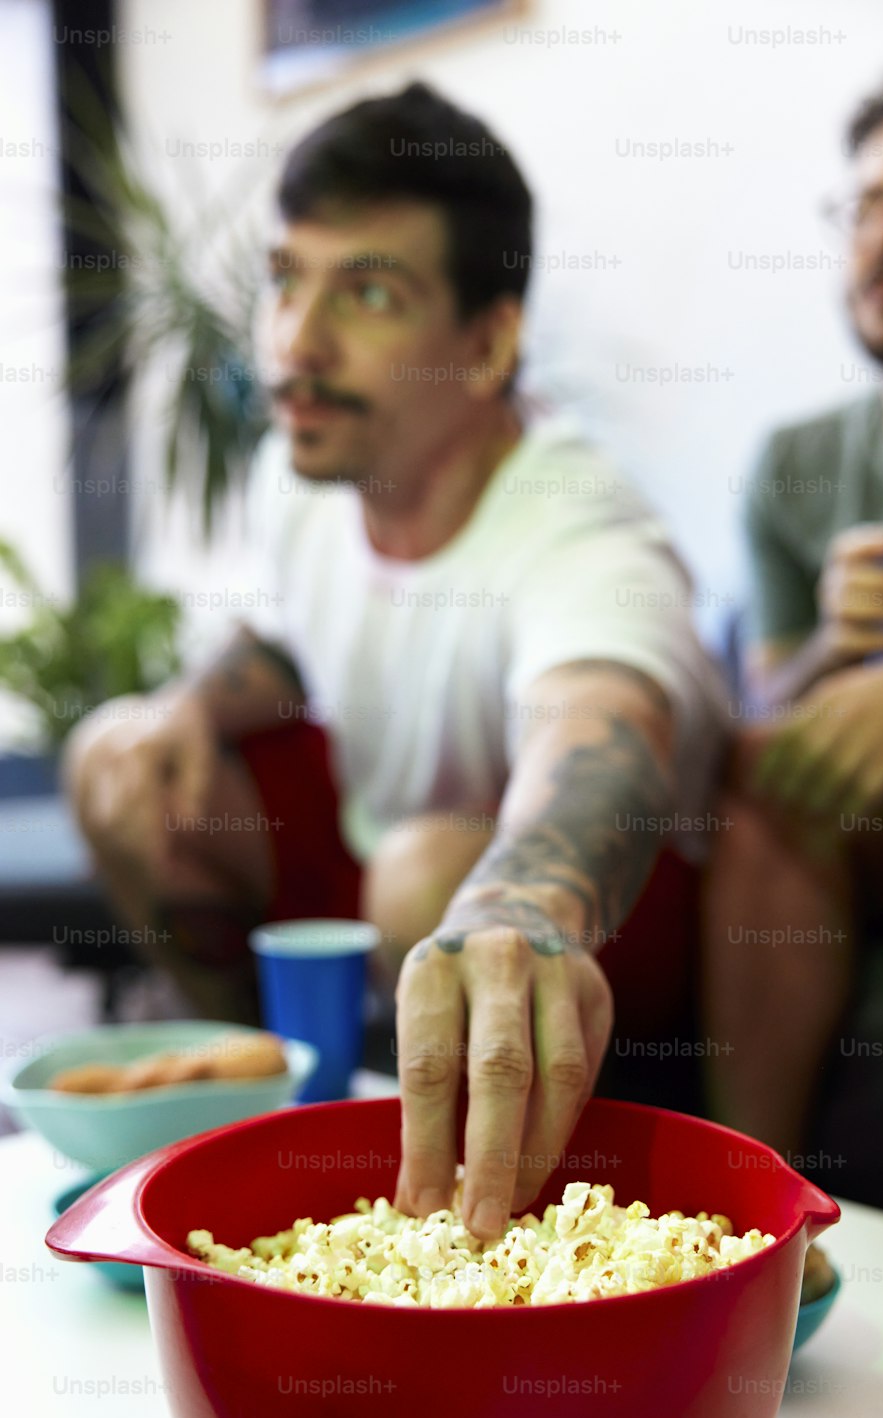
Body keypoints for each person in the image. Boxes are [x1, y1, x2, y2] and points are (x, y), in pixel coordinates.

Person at [66, 84, 724, 1241]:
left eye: (367, 292)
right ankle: (251, 1105)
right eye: (286, 279)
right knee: (122, 759)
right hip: (382, 875)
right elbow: (288, 637)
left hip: (608, 938)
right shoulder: (310, 465)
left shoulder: (582, 523)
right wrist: (188, 703)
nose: (296, 343)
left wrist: (517, 898)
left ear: (488, 343)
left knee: (429, 880)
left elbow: (605, 729)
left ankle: (465, 1221)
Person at [703, 64, 883, 1161]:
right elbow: (765, 705)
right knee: (765, 782)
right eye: (863, 205)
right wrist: (835, 642)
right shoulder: (796, 465)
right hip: (869, 842)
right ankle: (753, 1220)